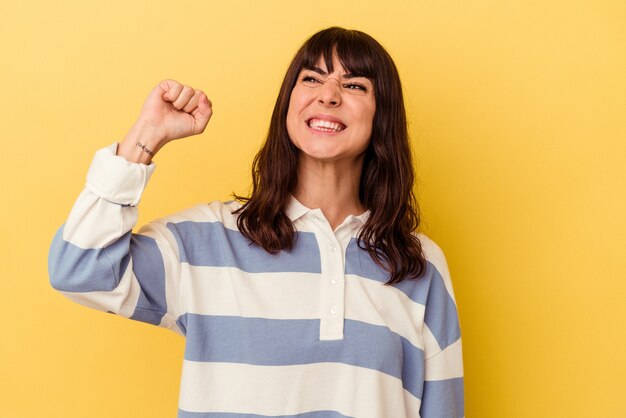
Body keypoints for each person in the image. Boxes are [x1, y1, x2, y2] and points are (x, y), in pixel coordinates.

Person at [49, 27, 464, 418]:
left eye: (354, 85)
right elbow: (79, 271)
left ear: (382, 116)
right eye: (312, 79)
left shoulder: (419, 264)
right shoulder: (207, 241)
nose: (329, 96)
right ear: (289, 103)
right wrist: (145, 137)